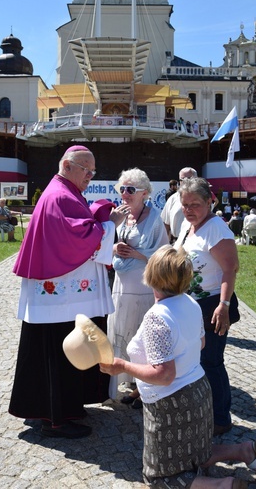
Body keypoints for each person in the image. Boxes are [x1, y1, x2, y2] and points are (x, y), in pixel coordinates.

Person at [100, 245, 256, 488]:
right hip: (198, 390)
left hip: (172, 402)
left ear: (152, 275)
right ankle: (244, 451)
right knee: (194, 455)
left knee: (160, 477)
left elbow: (164, 375)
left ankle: (225, 485)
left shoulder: (157, 317)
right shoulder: (190, 302)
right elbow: (200, 343)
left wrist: (122, 366)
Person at [8, 145, 128, 439]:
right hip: (63, 297)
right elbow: (82, 236)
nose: (90, 175)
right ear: (67, 165)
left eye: (93, 171)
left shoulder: (62, 192)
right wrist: (110, 224)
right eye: (85, 169)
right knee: (62, 355)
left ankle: (53, 409)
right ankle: (56, 419)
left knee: (55, 353)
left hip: (59, 296)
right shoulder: (61, 195)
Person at [174, 178, 239, 436]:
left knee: (211, 362)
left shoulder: (216, 229)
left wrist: (223, 305)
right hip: (190, 305)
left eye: (195, 204)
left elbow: (230, 269)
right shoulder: (187, 226)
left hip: (212, 305)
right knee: (194, 361)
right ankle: (202, 409)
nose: (189, 209)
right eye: (185, 204)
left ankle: (221, 418)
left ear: (210, 201)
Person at [108, 168, 168, 407]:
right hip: (120, 287)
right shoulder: (121, 215)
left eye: (130, 189)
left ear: (144, 193)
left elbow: (164, 252)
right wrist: (114, 248)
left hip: (143, 288)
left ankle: (143, 386)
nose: (125, 193)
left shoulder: (154, 218)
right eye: (122, 188)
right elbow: (108, 243)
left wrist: (137, 253)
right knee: (120, 331)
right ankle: (125, 378)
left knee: (141, 336)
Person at [161, 167, 198, 243]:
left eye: (188, 178)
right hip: (177, 242)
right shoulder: (173, 198)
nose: (185, 182)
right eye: (182, 180)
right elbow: (165, 225)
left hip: (197, 242)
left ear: (196, 179)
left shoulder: (202, 198)